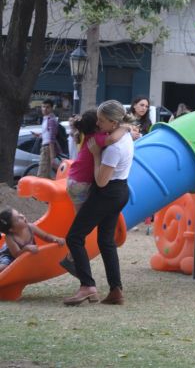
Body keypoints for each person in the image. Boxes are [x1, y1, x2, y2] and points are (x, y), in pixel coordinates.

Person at [64, 100, 135, 306]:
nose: (98, 124)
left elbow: (101, 181)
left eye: (102, 121)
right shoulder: (125, 136)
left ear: (113, 123)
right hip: (120, 191)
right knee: (106, 241)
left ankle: (87, 286)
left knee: (74, 237)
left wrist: (96, 156)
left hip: (107, 193)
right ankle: (116, 290)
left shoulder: (113, 148)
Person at [0, 208, 65, 273]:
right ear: (12, 229)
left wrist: (56, 239)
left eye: (19, 213)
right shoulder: (10, 237)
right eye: (18, 219)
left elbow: (46, 236)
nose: (22, 216)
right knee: (4, 267)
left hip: (25, 256)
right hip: (9, 256)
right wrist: (25, 249)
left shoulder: (30, 227)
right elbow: (16, 255)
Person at [34, 99, 61, 179]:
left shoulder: (51, 120)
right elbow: (47, 135)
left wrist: (52, 157)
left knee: (42, 175)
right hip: (46, 147)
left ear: (52, 108)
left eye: (47, 107)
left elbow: (51, 138)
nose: (45, 109)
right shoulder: (46, 118)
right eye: (43, 107)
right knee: (45, 175)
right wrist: (40, 135)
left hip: (47, 148)